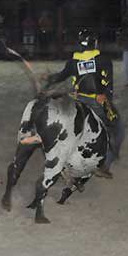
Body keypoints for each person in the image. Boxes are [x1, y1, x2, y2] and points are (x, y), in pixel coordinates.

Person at [46, 29, 122, 178]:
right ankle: (104, 164)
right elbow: (108, 84)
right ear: (95, 43)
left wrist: (48, 78)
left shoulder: (73, 62)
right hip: (96, 101)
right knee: (115, 129)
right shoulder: (103, 60)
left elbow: (60, 76)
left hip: (78, 100)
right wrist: (106, 98)